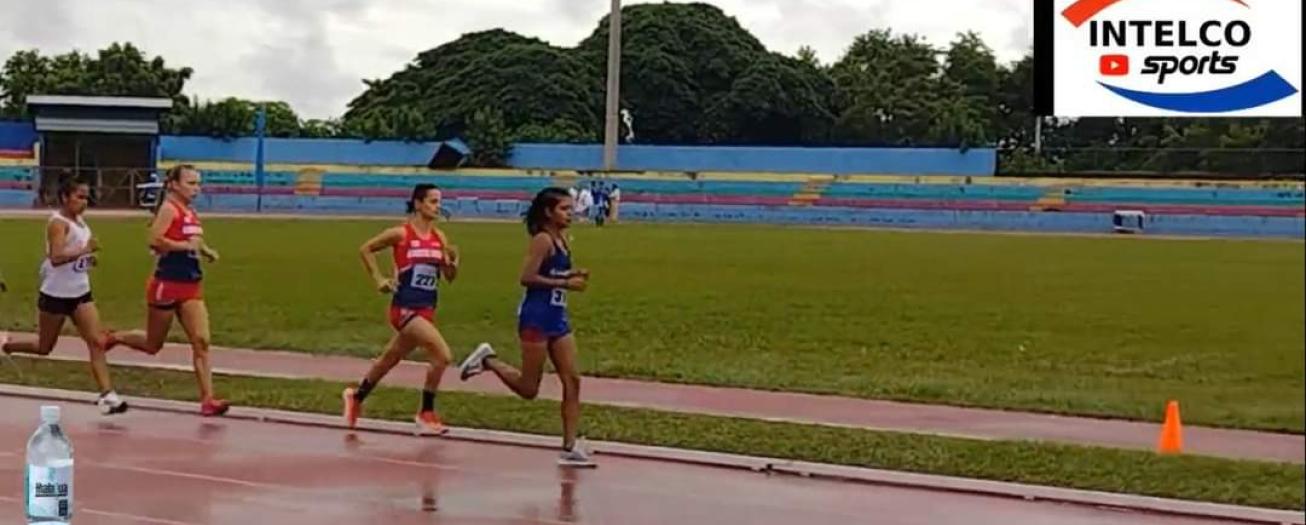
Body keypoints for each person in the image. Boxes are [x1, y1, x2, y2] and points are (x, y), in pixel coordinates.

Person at [458, 187, 595, 467]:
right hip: (536, 316)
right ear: (548, 212)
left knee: (573, 379)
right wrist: (565, 283)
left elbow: (552, 271)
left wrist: (571, 273)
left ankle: (569, 446)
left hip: (557, 317)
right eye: (564, 209)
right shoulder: (542, 240)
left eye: (571, 209)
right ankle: (489, 360)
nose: (571, 214)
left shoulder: (562, 240)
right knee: (529, 389)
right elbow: (527, 277)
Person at [105, 165, 229, 417]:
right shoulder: (168, 209)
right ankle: (114, 337)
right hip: (166, 284)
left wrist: (205, 250)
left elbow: (194, 239)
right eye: (191, 183)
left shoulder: (190, 211)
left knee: (202, 341)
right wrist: (184, 247)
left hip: (191, 284)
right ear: (173, 184)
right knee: (153, 344)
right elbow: (154, 240)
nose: (197, 188)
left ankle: (208, 399)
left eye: (198, 184)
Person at [0, 180, 128, 415]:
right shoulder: (57, 223)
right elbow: (56, 257)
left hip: (80, 292)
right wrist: (85, 251)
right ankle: (6, 345)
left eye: (87, 197)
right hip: (56, 295)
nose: (85, 202)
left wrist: (87, 261)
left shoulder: (79, 221)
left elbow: (75, 253)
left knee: (97, 341)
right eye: (79, 197)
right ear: (65, 197)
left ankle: (108, 395)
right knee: (44, 346)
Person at [342, 183, 460, 435]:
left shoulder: (440, 237)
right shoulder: (401, 233)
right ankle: (425, 412)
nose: (437, 206)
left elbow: (448, 277)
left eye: (439, 202)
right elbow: (366, 249)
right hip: (405, 308)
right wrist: (379, 279)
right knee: (442, 356)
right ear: (418, 204)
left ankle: (357, 396)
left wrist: (452, 264)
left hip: (427, 307)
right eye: (432, 201)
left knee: (390, 358)